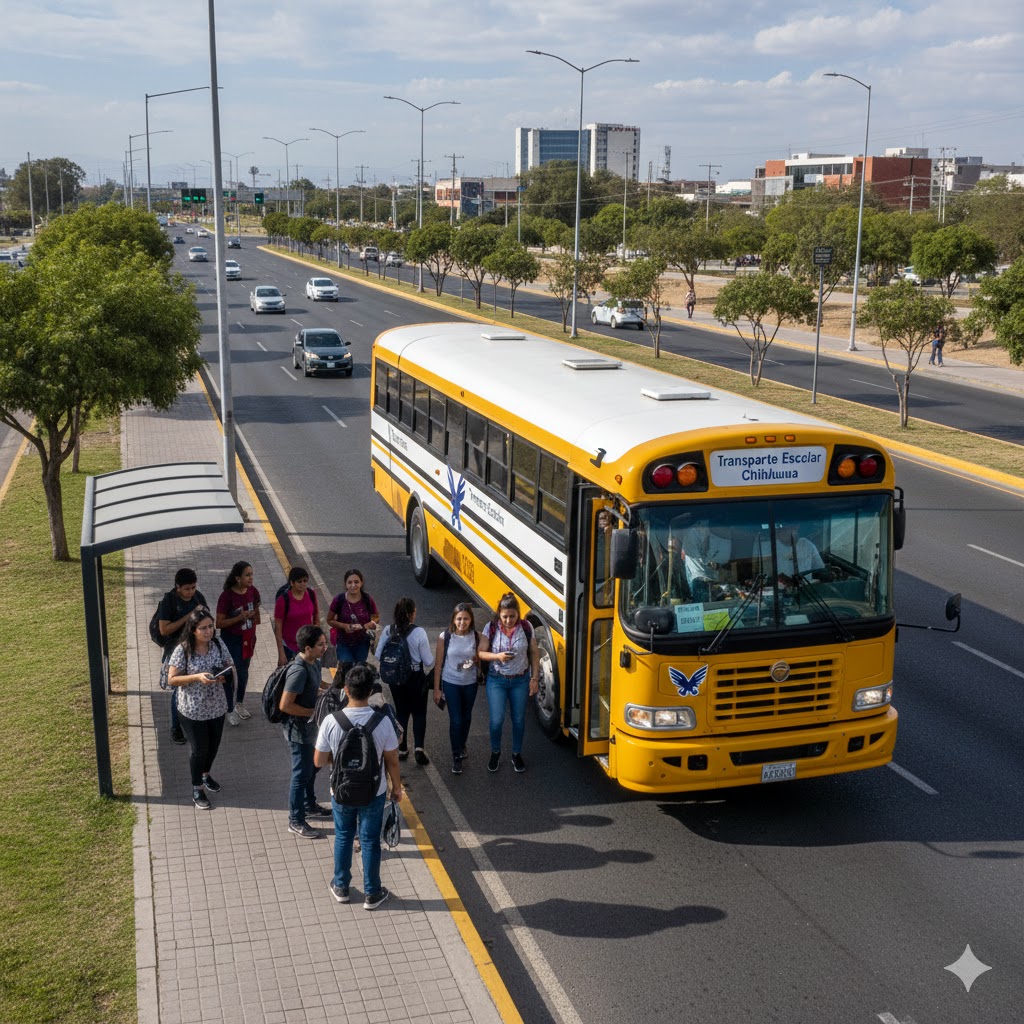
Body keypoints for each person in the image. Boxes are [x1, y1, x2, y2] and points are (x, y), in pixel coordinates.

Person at [314, 664, 403, 909]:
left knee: (343, 836)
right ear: (370, 690)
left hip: (340, 791)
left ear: (346, 690)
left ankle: (341, 887)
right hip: (374, 791)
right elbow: (392, 759)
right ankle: (372, 893)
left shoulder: (332, 721)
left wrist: (337, 758)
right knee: (370, 840)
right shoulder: (382, 722)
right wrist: (397, 788)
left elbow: (319, 761)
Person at [167, 607, 233, 810]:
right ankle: (197, 788)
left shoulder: (218, 644)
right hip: (192, 710)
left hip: (216, 707)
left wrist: (223, 675)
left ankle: (205, 775)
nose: (208, 631)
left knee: (213, 746)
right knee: (199, 749)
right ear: (193, 630)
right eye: (203, 628)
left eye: (210, 626)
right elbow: (172, 679)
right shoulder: (183, 649)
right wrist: (197, 677)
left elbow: (230, 664)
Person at [279, 624, 332, 839]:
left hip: (311, 729)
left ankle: (310, 804)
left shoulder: (313, 662)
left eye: (325, 643)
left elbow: (317, 681)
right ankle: (296, 820)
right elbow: (285, 705)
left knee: (312, 768)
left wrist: (330, 688)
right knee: (301, 775)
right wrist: (312, 711)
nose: (325, 647)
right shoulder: (298, 670)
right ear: (307, 648)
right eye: (320, 644)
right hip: (298, 732)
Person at [479, 593, 540, 774]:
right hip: (497, 679)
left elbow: (534, 653)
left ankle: (516, 753)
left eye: (512, 616)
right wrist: (497, 657)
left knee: (519, 720)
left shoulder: (526, 627)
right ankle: (495, 751)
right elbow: (480, 653)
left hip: (520, 680)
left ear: (518, 615)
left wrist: (534, 678)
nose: (508, 620)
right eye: (504, 616)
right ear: (499, 614)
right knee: (497, 720)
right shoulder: (490, 627)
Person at [374, 598, 435, 766]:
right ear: (411, 614)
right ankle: (419, 748)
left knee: (401, 711)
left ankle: (401, 747)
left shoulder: (388, 630)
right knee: (419, 712)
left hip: (395, 679)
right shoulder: (419, 632)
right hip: (415, 677)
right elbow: (428, 661)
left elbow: (379, 655)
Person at [157, 568, 209, 745]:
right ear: (177, 587)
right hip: (176, 650)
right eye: (187, 588)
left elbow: (207, 621)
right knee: (178, 690)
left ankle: (195, 721)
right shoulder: (169, 601)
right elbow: (164, 629)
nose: (191, 592)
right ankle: (176, 727)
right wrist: (189, 616)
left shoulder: (198, 598)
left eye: (193, 587)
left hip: (196, 648)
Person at [433, 603, 482, 775]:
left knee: (466, 717)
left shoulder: (477, 637)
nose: (462, 622)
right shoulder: (444, 637)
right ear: (454, 619)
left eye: (466, 619)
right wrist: (437, 689)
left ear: (471, 620)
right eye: (459, 619)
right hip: (451, 682)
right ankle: (456, 756)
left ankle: (461, 745)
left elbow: (487, 646)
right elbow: (438, 665)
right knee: (456, 720)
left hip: (470, 683)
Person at [215, 561, 261, 726]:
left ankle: (239, 703)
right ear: (237, 578)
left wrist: (254, 620)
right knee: (230, 674)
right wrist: (239, 618)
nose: (251, 578)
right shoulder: (226, 596)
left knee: (243, 672)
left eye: (252, 574)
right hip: (231, 641)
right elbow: (219, 623)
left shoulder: (253, 591)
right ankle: (229, 708)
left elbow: (256, 611)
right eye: (247, 575)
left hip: (248, 639)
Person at [327, 569, 379, 669]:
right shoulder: (339, 600)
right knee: (347, 669)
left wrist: (367, 625)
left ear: (361, 582)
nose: (353, 585)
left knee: (358, 670)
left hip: (362, 643)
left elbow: (376, 617)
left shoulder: (367, 599)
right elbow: (329, 620)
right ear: (345, 584)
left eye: (356, 582)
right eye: (349, 582)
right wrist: (345, 626)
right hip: (343, 643)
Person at [274, 566, 320, 666]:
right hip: (289, 648)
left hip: (308, 647)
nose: (303, 584)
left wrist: (317, 638)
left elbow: (316, 615)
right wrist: (281, 654)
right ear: (292, 583)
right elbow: (278, 628)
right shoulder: (283, 600)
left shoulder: (311, 594)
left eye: (305, 581)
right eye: (299, 581)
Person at [682, 522, 732, 601]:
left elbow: (724, 559)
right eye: (701, 524)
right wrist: (709, 563)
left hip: (715, 581)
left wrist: (717, 564)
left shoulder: (722, 535)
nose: (704, 527)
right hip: (697, 578)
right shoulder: (692, 533)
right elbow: (694, 553)